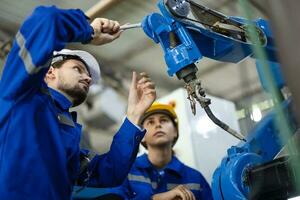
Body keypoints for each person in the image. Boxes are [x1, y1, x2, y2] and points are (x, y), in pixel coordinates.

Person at [0, 5, 156, 200]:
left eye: (88, 75)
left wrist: (134, 115)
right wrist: (89, 31)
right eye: (78, 69)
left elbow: (109, 173)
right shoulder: (23, 93)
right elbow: (46, 19)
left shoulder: (68, 129)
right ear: (50, 72)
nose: (88, 78)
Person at [109, 102, 213, 200]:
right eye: (150, 122)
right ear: (142, 136)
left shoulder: (196, 179)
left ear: (175, 131)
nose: (158, 125)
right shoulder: (125, 172)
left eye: (163, 120)